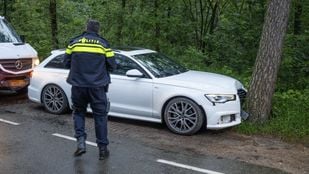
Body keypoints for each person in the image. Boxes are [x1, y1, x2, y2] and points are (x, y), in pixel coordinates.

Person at [63, 19, 116, 160]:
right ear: (98, 30)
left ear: (86, 28)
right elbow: (112, 65)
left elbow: (66, 62)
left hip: (78, 86)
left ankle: (81, 143)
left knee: (79, 113)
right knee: (100, 117)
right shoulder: (104, 44)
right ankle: (103, 150)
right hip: (97, 87)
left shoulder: (74, 43)